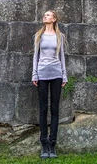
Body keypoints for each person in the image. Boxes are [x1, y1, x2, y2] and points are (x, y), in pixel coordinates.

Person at [32, 10, 67, 159]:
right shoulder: (38, 36)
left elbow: (62, 57)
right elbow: (35, 56)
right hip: (42, 74)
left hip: (56, 74)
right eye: (44, 15)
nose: (45, 16)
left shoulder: (60, 36)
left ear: (54, 19)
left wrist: (64, 75)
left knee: (54, 109)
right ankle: (43, 144)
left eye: (48, 15)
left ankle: (52, 144)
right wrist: (34, 73)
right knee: (43, 109)